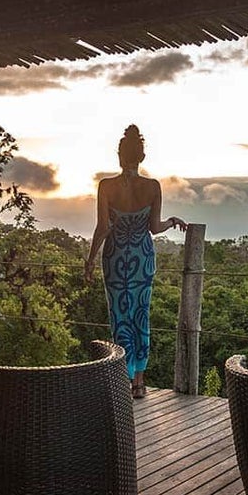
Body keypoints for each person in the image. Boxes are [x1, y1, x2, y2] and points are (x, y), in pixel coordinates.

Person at [84, 124, 187, 398]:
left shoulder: (106, 186)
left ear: (119, 157)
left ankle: (123, 379)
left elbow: (103, 227)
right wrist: (171, 222)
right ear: (141, 157)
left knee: (120, 318)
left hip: (116, 257)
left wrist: (90, 259)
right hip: (142, 257)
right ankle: (139, 382)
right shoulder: (152, 187)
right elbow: (154, 227)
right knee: (141, 315)